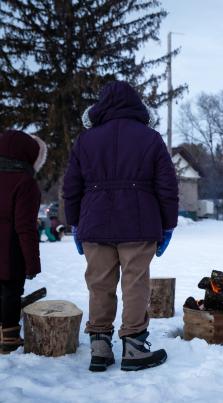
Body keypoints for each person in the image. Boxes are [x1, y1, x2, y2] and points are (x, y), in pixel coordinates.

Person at [63, 81, 179, 372]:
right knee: (135, 283)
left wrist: (75, 222)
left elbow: (71, 188)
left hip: (94, 222)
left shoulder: (85, 140)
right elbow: (167, 187)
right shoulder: (150, 138)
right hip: (139, 224)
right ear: (136, 105)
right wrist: (168, 225)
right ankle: (134, 348)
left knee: (99, 284)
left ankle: (100, 347)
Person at [0, 130, 47, 354]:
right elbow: (25, 227)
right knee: (10, 290)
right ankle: (8, 337)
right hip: (10, 250)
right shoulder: (25, 182)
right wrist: (32, 262)